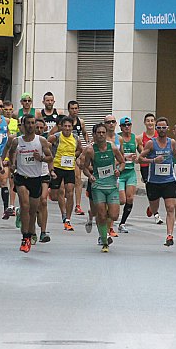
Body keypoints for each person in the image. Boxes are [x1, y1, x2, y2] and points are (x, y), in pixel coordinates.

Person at [139, 117, 176, 247]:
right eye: (159, 127)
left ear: (167, 128)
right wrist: (153, 161)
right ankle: (152, 209)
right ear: (156, 129)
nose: (161, 130)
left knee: (171, 207)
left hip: (169, 180)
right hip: (154, 182)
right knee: (155, 208)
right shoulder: (151, 143)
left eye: (164, 127)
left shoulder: (171, 142)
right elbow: (140, 158)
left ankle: (169, 235)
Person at [6, 114, 53, 253]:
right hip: (21, 177)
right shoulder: (17, 141)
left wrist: (41, 158)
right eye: (28, 123)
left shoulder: (41, 141)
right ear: (23, 125)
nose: (31, 125)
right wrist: (12, 165)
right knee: (25, 205)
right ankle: (25, 238)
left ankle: (29, 232)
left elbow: (50, 158)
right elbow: (11, 153)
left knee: (33, 211)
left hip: (36, 179)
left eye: (33, 123)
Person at [82, 123, 125, 253]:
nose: (101, 135)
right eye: (98, 133)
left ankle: (103, 228)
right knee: (101, 214)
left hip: (111, 186)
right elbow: (84, 167)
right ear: (94, 134)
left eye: (103, 132)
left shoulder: (112, 147)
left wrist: (119, 170)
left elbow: (122, 162)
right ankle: (104, 240)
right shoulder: (90, 150)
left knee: (114, 215)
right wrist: (90, 176)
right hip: (98, 186)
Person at [47, 116, 82, 231]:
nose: (67, 128)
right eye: (65, 126)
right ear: (61, 127)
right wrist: (50, 159)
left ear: (72, 127)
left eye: (69, 126)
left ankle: (67, 218)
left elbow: (79, 149)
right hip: (57, 167)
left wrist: (74, 155)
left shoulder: (76, 138)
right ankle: (62, 212)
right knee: (55, 195)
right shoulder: (56, 137)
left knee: (70, 192)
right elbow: (47, 147)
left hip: (69, 168)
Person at [117, 116, 143, 233]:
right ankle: (108, 213)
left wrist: (138, 158)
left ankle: (122, 223)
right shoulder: (117, 138)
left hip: (130, 172)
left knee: (130, 198)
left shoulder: (136, 138)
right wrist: (124, 157)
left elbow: (142, 154)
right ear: (121, 127)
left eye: (129, 125)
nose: (127, 127)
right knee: (121, 200)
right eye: (124, 125)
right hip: (119, 172)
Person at [67, 100, 88, 215]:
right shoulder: (65, 122)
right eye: (72, 108)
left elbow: (84, 133)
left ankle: (78, 205)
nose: (74, 110)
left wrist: (88, 143)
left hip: (75, 154)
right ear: (69, 110)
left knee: (78, 178)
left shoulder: (81, 122)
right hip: (64, 154)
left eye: (76, 108)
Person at [140, 113, 160, 223]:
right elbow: (141, 153)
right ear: (144, 123)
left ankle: (152, 207)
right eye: (148, 121)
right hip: (146, 166)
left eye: (152, 120)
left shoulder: (159, 135)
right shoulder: (140, 138)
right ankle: (156, 213)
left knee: (158, 188)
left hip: (159, 165)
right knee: (150, 188)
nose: (150, 123)